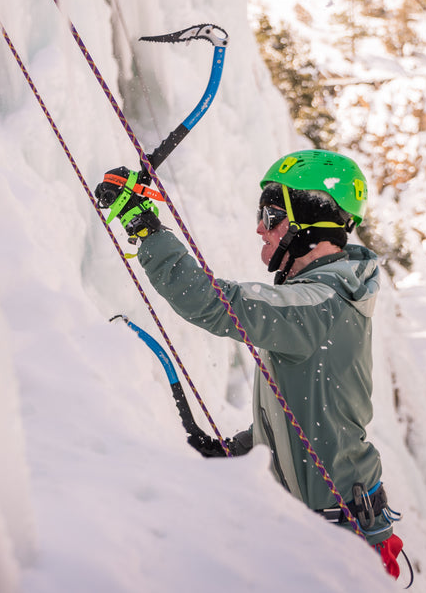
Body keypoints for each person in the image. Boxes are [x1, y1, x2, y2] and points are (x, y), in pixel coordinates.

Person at [95, 149, 404, 579]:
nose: (260, 227)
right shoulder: (324, 297)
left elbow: (212, 302)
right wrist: (240, 449)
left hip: (338, 536)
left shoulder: (319, 303)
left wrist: (144, 226)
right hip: (337, 524)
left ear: (310, 220)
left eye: (272, 214)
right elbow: (308, 415)